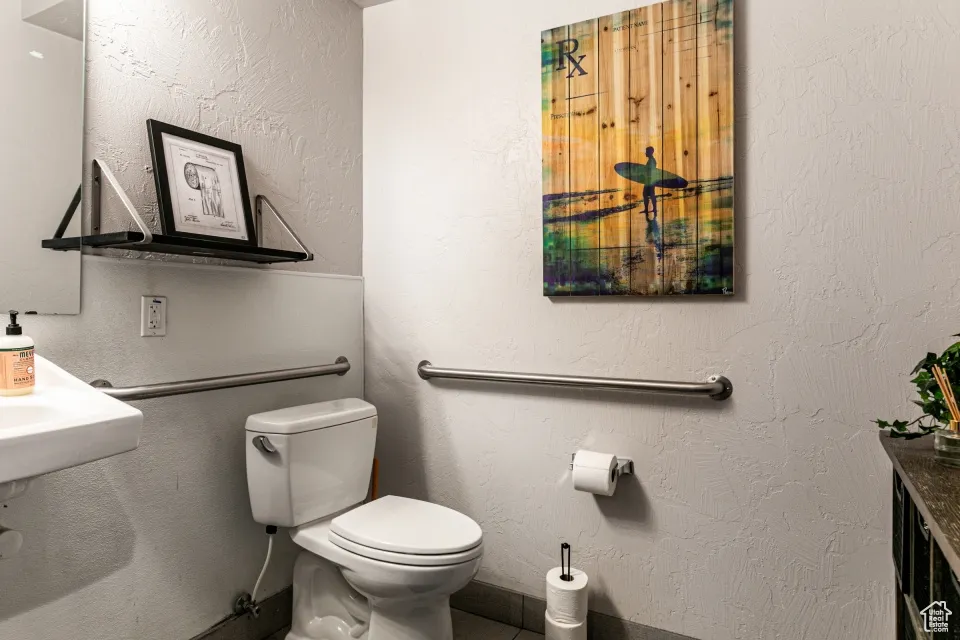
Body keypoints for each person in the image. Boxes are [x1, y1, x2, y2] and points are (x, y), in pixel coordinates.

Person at [643, 146, 658, 218]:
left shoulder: (652, 161)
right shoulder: (651, 160)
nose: (645, 153)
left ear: (650, 152)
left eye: (646, 151)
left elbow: (651, 171)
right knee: (649, 194)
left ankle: (651, 209)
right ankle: (650, 209)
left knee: (648, 194)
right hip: (650, 180)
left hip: (650, 180)